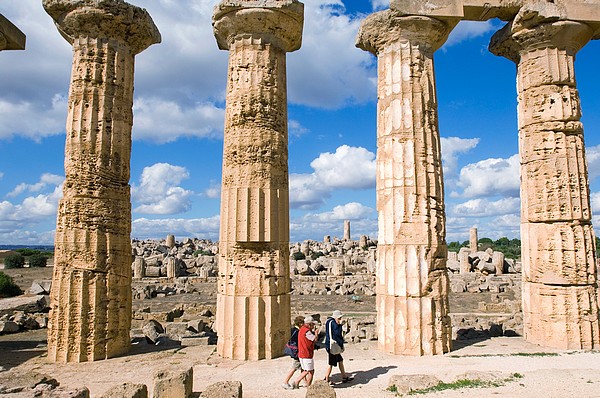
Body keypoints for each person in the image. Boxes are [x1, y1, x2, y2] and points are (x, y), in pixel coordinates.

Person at [323, 310, 353, 385]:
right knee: (331, 363)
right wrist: (340, 326)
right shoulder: (334, 323)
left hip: (330, 345)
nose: (340, 319)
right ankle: (326, 379)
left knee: (340, 360)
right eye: (339, 318)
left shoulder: (329, 322)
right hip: (333, 346)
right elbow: (336, 334)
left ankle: (344, 376)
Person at [291, 315, 317, 389]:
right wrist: (316, 334)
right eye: (313, 324)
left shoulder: (301, 329)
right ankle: (305, 385)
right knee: (310, 371)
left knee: (306, 370)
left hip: (301, 353)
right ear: (309, 324)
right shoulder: (307, 331)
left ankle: (298, 382)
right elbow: (314, 339)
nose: (313, 326)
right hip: (306, 353)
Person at [282, 315, 305, 390]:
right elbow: (298, 342)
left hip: (298, 352)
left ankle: (305, 381)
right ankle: (285, 382)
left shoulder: (293, 329)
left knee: (303, 367)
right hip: (297, 352)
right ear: (300, 323)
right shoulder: (297, 331)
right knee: (294, 368)